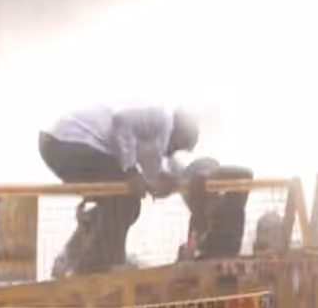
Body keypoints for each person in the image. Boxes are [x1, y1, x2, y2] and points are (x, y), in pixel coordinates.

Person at [39, 106, 199, 269]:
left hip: (58, 142)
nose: (173, 152)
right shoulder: (162, 119)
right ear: (178, 131)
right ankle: (102, 264)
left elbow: (156, 172)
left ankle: (74, 256)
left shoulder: (150, 137)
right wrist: (131, 171)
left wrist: (157, 182)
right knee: (125, 199)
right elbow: (121, 119)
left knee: (122, 203)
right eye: (180, 145)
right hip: (67, 141)